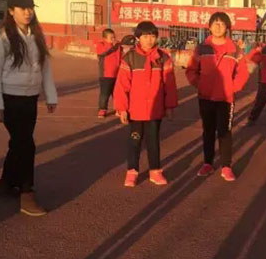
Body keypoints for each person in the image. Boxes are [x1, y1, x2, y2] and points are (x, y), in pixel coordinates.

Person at [0, 0, 58, 216]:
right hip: (10, 99)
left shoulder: (37, 36)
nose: (28, 12)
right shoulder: (1, 38)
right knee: (26, 144)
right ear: (11, 11)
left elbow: (45, 68)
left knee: (18, 143)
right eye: (22, 8)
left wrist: (50, 95)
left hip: (30, 98)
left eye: (30, 8)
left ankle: (7, 183)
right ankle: (27, 193)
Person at [113, 21, 178, 187]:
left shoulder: (163, 58)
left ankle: (155, 171)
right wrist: (122, 108)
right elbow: (122, 85)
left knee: (153, 141)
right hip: (135, 110)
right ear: (138, 38)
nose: (149, 40)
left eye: (153, 36)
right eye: (145, 36)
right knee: (134, 141)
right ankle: (132, 171)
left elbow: (169, 84)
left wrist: (169, 106)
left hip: (155, 110)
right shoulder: (130, 58)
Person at [186, 12, 249, 181]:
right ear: (209, 27)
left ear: (227, 27)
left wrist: (232, 87)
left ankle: (226, 166)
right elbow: (191, 70)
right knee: (208, 131)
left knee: (224, 132)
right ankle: (207, 163)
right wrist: (200, 84)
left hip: (225, 99)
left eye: (222, 23)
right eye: (215, 23)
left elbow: (243, 73)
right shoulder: (202, 48)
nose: (218, 26)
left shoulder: (235, 49)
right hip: (205, 97)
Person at [95, 28, 121, 118]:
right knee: (104, 94)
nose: (113, 39)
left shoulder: (118, 46)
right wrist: (112, 46)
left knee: (117, 93)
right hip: (105, 75)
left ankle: (119, 109)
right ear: (105, 38)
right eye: (111, 38)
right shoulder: (101, 45)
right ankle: (102, 109)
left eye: (114, 37)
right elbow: (103, 52)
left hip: (117, 74)